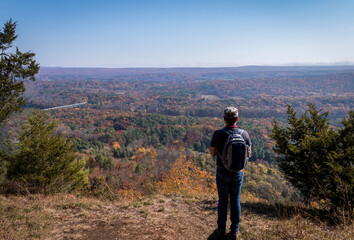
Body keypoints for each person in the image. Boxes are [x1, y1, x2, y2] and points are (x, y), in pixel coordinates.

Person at [210, 107, 251, 240]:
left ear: (224, 119)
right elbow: (248, 153)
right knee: (235, 200)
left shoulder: (218, 134)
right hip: (238, 173)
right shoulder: (244, 134)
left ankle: (221, 230)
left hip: (222, 171)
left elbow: (212, 152)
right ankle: (234, 230)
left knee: (223, 201)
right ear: (237, 119)